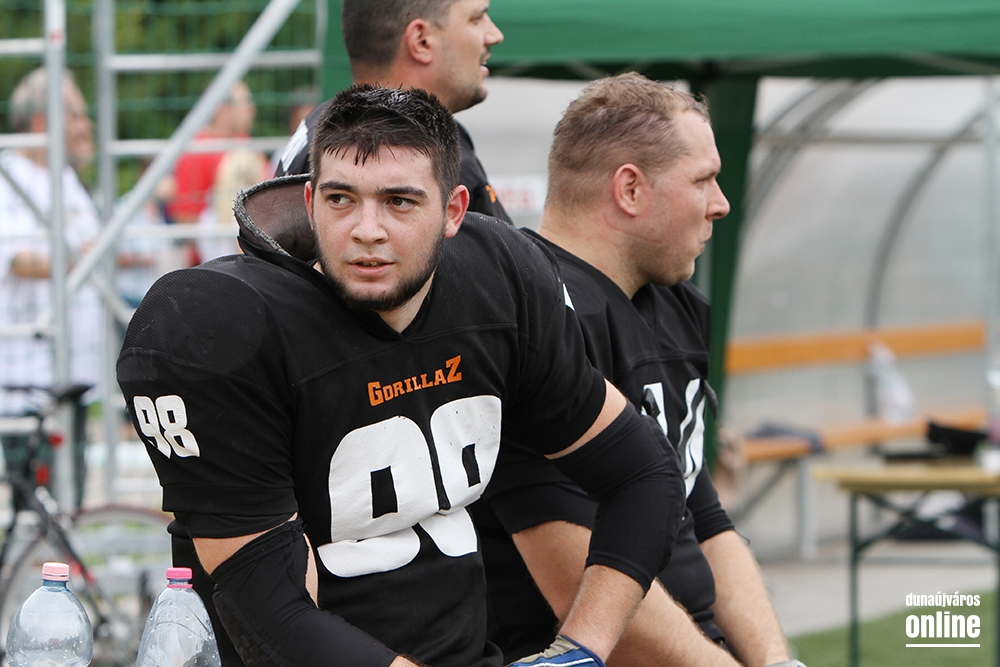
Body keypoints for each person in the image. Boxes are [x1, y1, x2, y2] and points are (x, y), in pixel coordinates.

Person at [118, 85, 687, 667]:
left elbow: (645, 473)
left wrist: (581, 649)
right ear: (310, 203)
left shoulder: (498, 278)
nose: (367, 229)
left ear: (454, 211)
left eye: (399, 201)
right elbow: (272, 618)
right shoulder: (219, 324)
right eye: (342, 199)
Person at [473, 73, 804, 667]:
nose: (721, 203)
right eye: (702, 179)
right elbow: (582, 594)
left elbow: (705, 516)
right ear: (630, 188)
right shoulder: (538, 317)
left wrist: (776, 662)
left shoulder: (674, 303)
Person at [274, 0, 511, 223]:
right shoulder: (420, 151)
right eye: (476, 18)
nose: (494, 36)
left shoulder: (327, 126)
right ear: (422, 40)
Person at [0, 67, 104, 508]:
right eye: (76, 115)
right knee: (36, 512)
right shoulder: (9, 177)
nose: (86, 126)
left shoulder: (64, 177)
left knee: (68, 507)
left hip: (72, 372)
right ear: (43, 121)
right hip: (30, 380)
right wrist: (86, 256)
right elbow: (21, 259)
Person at [164, 81, 257, 226]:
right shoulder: (197, 152)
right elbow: (185, 218)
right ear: (222, 109)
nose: (251, 108)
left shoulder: (244, 142)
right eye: (245, 102)